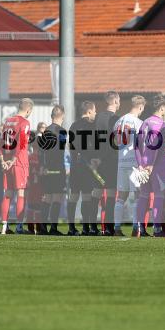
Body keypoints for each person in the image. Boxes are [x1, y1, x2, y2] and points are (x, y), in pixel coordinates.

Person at [134, 95, 165, 238]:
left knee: (143, 195)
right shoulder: (162, 124)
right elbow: (155, 145)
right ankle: (157, 229)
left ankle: (140, 228)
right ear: (162, 108)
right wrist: (151, 164)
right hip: (157, 165)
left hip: (143, 164)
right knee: (159, 195)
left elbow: (136, 145)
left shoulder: (145, 122)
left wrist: (140, 164)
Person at [0, 98, 34, 234]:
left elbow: (1, 143)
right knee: (21, 193)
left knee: (7, 194)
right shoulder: (25, 122)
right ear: (28, 110)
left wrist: (2, 160)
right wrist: (13, 160)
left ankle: (4, 226)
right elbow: (22, 144)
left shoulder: (8, 121)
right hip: (19, 162)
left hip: (7, 162)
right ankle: (19, 227)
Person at [111, 95, 145, 236]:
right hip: (134, 163)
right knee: (137, 195)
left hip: (121, 162)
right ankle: (136, 228)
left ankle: (117, 228)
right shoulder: (139, 123)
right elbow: (141, 144)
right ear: (141, 107)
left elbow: (114, 142)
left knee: (121, 197)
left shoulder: (118, 121)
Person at [68, 101, 101, 235]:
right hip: (87, 166)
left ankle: (71, 228)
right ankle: (86, 227)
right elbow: (95, 145)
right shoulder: (92, 125)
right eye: (94, 111)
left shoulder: (73, 126)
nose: (95, 113)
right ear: (89, 111)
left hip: (75, 165)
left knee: (74, 196)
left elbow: (71, 147)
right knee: (87, 196)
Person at [93, 91, 121, 234]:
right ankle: (109, 228)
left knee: (96, 194)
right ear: (115, 101)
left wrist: (95, 157)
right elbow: (115, 142)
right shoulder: (117, 119)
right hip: (110, 160)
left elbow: (94, 139)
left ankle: (91, 227)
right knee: (110, 195)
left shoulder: (97, 117)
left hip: (97, 161)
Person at [38, 105, 68, 235]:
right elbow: (59, 150)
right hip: (57, 168)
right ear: (63, 116)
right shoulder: (62, 131)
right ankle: (53, 228)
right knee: (57, 197)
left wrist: (42, 166)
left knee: (47, 197)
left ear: (52, 116)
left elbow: (41, 151)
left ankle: (43, 228)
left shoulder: (46, 131)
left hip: (47, 168)